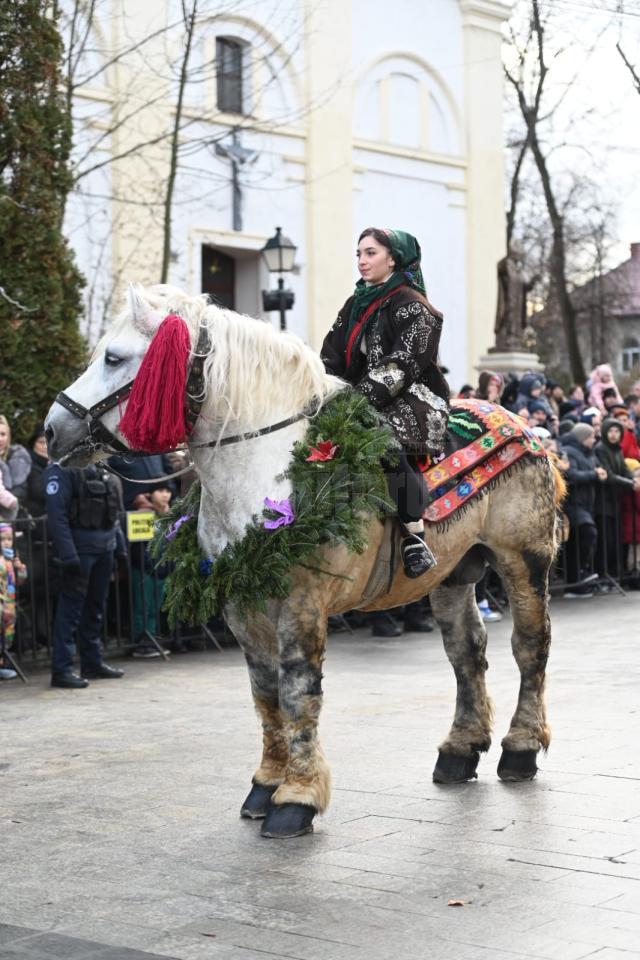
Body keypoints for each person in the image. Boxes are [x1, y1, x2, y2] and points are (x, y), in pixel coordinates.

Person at [321, 227, 449, 578]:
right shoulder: (355, 303)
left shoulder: (415, 306)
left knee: (381, 439)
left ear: (393, 258)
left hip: (411, 395)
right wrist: (322, 385)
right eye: (358, 254)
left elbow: (404, 363)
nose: (362, 261)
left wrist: (360, 401)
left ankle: (414, 535)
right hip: (356, 394)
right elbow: (331, 352)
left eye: (370, 253)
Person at [44, 462, 126, 688]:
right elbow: (57, 516)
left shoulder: (99, 467)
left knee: (96, 608)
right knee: (70, 611)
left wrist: (120, 548)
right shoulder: (61, 469)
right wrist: (68, 554)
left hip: (104, 548)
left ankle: (92, 662)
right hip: (80, 551)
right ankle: (62, 669)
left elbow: (113, 512)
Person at [560, 423, 608, 597]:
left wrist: (601, 473)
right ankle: (580, 572)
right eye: (591, 437)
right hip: (574, 503)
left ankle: (577, 581)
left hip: (587, 503)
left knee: (577, 543)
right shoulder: (569, 452)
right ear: (583, 438)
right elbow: (571, 474)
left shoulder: (590, 453)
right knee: (588, 533)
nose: (594, 440)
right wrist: (594, 475)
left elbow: (599, 468)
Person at [128, 485, 172, 658]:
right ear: (150, 494)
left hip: (161, 570)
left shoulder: (169, 515)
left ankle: (151, 637)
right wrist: (149, 567)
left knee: (155, 607)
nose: (165, 495)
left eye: (168, 491)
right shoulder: (142, 514)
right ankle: (141, 642)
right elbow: (137, 547)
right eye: (160, 491)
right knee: (142, 608)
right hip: (144, 570)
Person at [594, 418, 639, 580]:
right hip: (603, 502)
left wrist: (633, 479)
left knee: (614, 541)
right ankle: (603, 574)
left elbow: (624, 470)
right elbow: (609, 475)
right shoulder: (601, 448)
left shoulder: (617, 450)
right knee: (606, 541)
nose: (613, 435)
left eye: (617, 431)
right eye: (611, 431)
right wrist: (630, 484)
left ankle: (613, 574)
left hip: (614, 501)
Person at [0, 523, 27, 680]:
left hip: (10, 603)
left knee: (8, 633)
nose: (7, 543)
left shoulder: (11, 559)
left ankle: (2, 662)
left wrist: (20, 568)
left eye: (9, 539)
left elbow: (20, 581)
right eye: (2, 539)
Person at [0, 414, 31, 506]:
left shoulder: (18, 457)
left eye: (3, 434)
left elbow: (21, 491)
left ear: (8, 436)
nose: (0, 439)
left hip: (11, 515)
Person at [23, 423, 50, 518]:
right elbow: (39, 493)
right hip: (36, 519)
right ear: (33, 444)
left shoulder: (57, 464)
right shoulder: (28, 465)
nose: (46, 446)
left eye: (49, 442)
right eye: (42, 442)